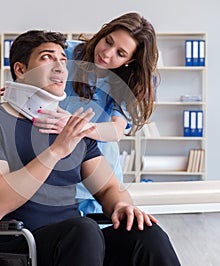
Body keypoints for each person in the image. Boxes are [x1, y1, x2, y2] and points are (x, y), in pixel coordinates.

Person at [0, 30, 180, 266]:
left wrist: (122, 205)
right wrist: (55, 152)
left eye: (64, 60)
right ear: (21, 70)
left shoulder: (73, 128)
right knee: (83, 230)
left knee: (146, 234)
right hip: (15, 245)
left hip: (76, 244)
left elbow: (108, 188)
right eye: (47, 58)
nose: (59, 67)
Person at [31, 12, 159, 216]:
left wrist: (72, 125)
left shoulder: (133, 80)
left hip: (96, 170)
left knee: (103, 238)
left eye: (120, 53)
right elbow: (31, 77)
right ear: (103, 32)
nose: (107, 54)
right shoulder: (67, 53)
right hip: (52, 162)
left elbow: (116, 130)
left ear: (131, 59)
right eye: (108, 41)